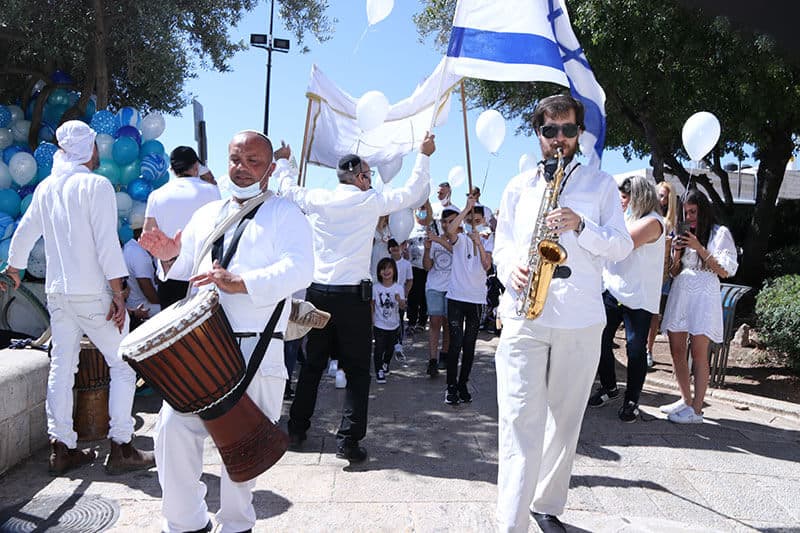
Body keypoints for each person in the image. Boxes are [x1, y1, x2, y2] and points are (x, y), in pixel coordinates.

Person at [139, 130, 313, 532]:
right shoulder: (206, 214)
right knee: (172, 431)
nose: (242, 168)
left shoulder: (285, 213)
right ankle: (185, 522)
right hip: (201, 349)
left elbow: (301, 268)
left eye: (254, 161)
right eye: (236, 159)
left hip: (256, 348)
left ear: (270, 169)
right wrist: (168, 255)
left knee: (242, 453)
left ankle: (236, 525)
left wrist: (242, 282)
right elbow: (185, 267)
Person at [492, 94, 633, 533]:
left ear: (578, 133)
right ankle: (511, 520)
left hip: (580, 316)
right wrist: (508, 270)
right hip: (525, 314)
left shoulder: (601, 185)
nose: (559, 139)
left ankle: (546, 505)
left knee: (566, 419)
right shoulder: (518, 187)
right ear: (539, 134)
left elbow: (622, 245)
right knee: (518, 418)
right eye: (550, 130)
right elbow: (501, 246)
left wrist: (582, 226)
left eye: (567, 130)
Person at [0, 120, 155, 476]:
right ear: (87, 148)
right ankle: (121, 447)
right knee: (123, 364)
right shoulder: (96, 185)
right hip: (91, 292)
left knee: (62, 366)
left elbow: (24, 232)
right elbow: (106, 244)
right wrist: (118, 294)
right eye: (95, 145)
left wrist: (14, 267)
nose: (98, 151)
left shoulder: (46, 187)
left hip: (58, 292)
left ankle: (62, 448)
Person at [278, 133, 435, 463]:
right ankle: (348, 441)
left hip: (319, 293)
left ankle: (296, 429)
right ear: (360, 178)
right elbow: (413, 192)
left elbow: (287, 189)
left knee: (312, 366)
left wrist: (283, 162)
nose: (371, 180)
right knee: (357, 371)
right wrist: (424, 155)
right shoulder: (369, 201)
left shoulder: (318, 198)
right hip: (352, 298)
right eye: (369, 174)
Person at [588, 176, 665, 422]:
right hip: (613, 290)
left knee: (635, 349)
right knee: (600, 339)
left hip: (639, 297)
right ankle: (609, 387)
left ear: (638, 197)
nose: (620, 201)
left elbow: (619, 246)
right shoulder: (625, 218)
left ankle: (631, 400)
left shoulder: (653, 222)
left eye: (624, 197)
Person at [660, 189, 738, 424]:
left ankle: (697, 410)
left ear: (703, 210)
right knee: (676, 349)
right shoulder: (683, 233)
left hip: (704, 295)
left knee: (698, 352)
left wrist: (698, 247)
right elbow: (674, 272)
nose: (689, 217)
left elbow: (725, 271)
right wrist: (676, 252)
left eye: (693, 212)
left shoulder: (719, 233)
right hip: (682, 292)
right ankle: (685, 399)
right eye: (685, 212)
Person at [144, 145, 220, 308]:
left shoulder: (156, 195)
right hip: (202, 273)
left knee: (171, 323)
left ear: (171, 169)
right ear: (196, 166)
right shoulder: (212, 191)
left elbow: (147, 234)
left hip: (170, 272)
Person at [442, 197, 492, 404]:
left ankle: (463, 384)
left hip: (476, 300)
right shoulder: (460, 239)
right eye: (470, 221)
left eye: (477, 221)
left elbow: (487, 265)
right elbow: (449, 231)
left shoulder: (488, 240)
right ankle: (450, 387)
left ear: (484, 221)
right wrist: (465, 209)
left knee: (469, 345)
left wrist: (479, 243)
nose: (474, 224)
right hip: (456, 297)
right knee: (455, 343)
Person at [647, 180, 679, 366]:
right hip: (646, 271)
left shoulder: (670, 224)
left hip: (662, 274)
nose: (660, 199)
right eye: (658, 195)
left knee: (654, 314)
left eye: (664, 197)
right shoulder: (646, 216)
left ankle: (648, 350)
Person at [422, 207, 457, 376]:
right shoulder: (434, 241)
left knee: (448, 323)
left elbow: (455, 251)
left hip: (453, 288)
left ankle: (445, 353)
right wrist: (428, 249)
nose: (447, 225)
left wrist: (438, 240)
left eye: (451, 221)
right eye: (444, 222)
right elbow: (427, 266)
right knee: (435, 321)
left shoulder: (460, 240)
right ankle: (432, 360)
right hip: (434, 286)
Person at [371, 257, 406, 384]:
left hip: (393, 324)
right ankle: (379, 370)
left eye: (389, 268)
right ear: (379, 272)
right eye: (383, 269)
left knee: (390, 348)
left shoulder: (399, 288)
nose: (386, 271)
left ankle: (385, 363)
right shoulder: (375, 288)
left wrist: (399, 300)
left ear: (394, 271)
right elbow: (372, 304)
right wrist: (372, 319)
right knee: (379, 348)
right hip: (379, 324)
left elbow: (403, 306)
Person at [122, 219, 160, 326]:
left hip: (133, 303)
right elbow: (150, 295)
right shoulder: (139, 254)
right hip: (143, 307)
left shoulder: (129, 246)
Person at [406, 201, 433, 333]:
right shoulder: (410, 226)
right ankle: (411, 321)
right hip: (413, 266)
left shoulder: (432, 226)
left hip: (427, 267)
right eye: (419, 209)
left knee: (424, 296)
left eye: (423, 208)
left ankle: (422, 322)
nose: (421, 211)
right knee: (413, 295)